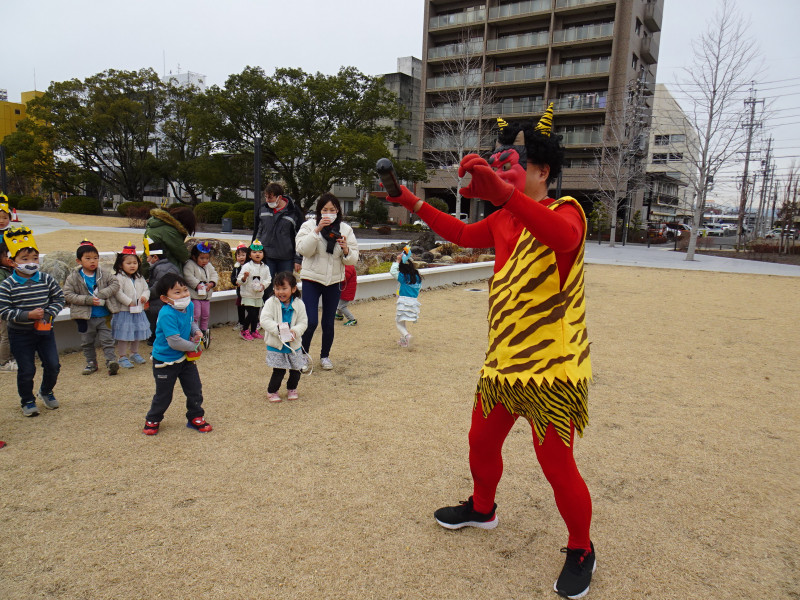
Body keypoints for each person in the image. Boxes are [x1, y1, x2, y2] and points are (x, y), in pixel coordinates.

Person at [386, 105, 596, 599]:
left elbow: (561, 238)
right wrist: (410, 201)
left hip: (553, 370)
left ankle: (582, 547)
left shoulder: (568, 212)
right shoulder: (504, 220)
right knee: (480, 441)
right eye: (498, 168)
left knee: (555, 462)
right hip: (503, 363)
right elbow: (460, 234)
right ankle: (483, 508)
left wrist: (504, 195)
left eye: (512, 166)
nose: (502, 175)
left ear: (542, 170)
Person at [0, 227, 65, 417]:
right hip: (20, 333)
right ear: (13, 262)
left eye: (35, 258)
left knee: (53, 365)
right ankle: (27, 400)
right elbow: (4, 311)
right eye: (25, 259)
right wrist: (27, 315)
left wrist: (48, 314)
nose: (31, 263)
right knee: (27, 369)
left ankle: (46, 391)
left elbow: (58, 299)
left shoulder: (46, 279)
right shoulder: (7, 285)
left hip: (45, 330)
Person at [143, 272, 212, 436]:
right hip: (165, 361)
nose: (184, 295)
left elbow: (191, 322)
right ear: (165, 298)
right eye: (177, 292)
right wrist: (195, 347)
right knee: (164, 395)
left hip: (185, 359)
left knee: (194, 389)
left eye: (185, 290)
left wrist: (196, 332)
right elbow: (174, 341)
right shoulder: (167, 314)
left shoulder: (189, 306)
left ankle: (195, 416)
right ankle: (153, 418)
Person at [295, 193, 358, 371]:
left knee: (328, 322)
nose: (328, 213)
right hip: (312, 279)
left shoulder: (345, 229)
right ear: (319, 211)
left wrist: (346, 250)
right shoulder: (308, 226)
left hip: (334, 280)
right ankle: (302, 355)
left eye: (332, 210)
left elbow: (352, 259)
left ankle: (325, 356)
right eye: (325, 210)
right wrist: (316, 232)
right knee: (311, 321)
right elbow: (303, 250)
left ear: (338, 211)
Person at [62, 240, 121, 376]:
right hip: (84, 317)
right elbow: (68, 295)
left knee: (108, 340)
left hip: (105, 314)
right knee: (87, 342)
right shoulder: (73, 277)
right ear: (79, 261)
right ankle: (91, 363)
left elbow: (115, 284)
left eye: (95, 258)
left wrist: (102, 294)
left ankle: (111, 362)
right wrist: (87, 300)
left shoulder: (104, 274)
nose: (92, 261)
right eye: (88, 258)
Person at [259, 271, 308, 402]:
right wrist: (278, 329)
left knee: (296, 370)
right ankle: (272, 391)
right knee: (279, 371)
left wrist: (295, 331)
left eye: (284, 288)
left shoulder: (299, 304)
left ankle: (292, 388)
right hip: (277, 345)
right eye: (277, 288)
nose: (280, 292)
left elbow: (303, 322)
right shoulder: (270, 302)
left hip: (294, 344)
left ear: (293, 289)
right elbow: (264, 320)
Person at [254, 182, 304, 296]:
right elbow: (258, 231)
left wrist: (298, 259)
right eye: (266, 197)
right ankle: (268, 311)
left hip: (286, 257)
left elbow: (300, 236)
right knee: (267, 287)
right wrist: (254, 250)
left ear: (279, 197)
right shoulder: (262, 210)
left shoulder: (294, 212)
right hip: (267, 256)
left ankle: (284, 311)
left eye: (270, 197)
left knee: (284, 286)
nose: (267, 200)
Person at [109, 244, 151, 368]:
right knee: (124, 334)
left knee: (137, 333)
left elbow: (146, 289)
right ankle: (122, 356)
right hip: (124, 311)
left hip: (138, 310)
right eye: (129, 263)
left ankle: (134, 353)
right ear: (120, 265)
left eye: (135, 263)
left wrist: (144, 297)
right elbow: (117, 292)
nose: (132, 265)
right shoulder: (118, 278)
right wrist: (129, 302)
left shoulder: (139, 277)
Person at [183, 241, 218, 347]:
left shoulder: (209, 266)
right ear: (194, 257)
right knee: (195, 315)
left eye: (207, 258)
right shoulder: (190, 264)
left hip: (206, 297)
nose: (205, 261)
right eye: (202, 258)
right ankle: (193, 332)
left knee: (205, 315)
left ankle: (203, 331)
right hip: (195, 296)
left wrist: (211, 283)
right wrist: (197, 284)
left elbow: (214, 274)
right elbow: (188, 276)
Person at [144, 240, 179, 346]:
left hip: (161, 301)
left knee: (156, 318)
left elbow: (158, 287)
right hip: (171, 299)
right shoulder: (169, 266)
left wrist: (146, 294)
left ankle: (154, 337)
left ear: (155, 257)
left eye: (148, 257)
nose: (147, 260)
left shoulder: (160, 268)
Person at [236, 240, 271, 341]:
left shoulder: (265, 267)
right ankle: (244, 330)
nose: (257, 254)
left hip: (259, 294)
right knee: (252, 313)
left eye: (260, 252)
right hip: (248, 294)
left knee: (256, 313)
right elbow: (239, 280)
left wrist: (263, 286)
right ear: (250, 255)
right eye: (254, 252)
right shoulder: (247, 266)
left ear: (263, 254)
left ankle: (254, 330)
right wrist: (245, 277)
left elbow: (268, 279)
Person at [389, 246, 422, 348]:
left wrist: (397, 261)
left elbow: (393, 271)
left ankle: (407, 336)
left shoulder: (403, 277)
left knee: (399, 322)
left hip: (403, 301)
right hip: (414, 301)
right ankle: (403, 340)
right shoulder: (417, 277)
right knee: (402, 320)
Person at [0, 241, 18, 372]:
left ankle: (11, 358)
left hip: (13, 309)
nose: (10, 257)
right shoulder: (2, 273)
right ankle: (3, 362)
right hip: (4, 310)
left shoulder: (11, 270)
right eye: (7, 255)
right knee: (5, 336)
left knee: (11, 335)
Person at [230, 243, 249, 331]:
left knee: (250, 308)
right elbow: (233, 277)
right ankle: (241, 322)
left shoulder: (249, 266)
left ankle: (255, 322)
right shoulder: (236, 267)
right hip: (240, 292)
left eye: (243, 255)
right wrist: (235, 282)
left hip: (249, 292)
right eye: (238, 255)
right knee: (240, 308)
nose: (241, 257)